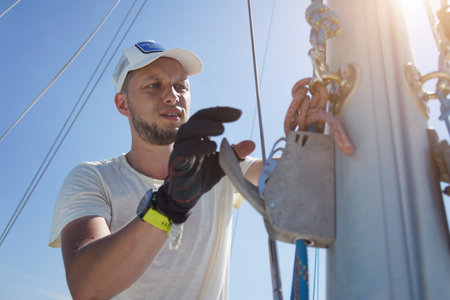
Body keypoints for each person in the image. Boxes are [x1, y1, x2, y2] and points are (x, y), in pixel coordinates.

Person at [48, 40, 263, 299]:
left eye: (181, 86)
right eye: (154, 85)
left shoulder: (220, 169)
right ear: (123, 104)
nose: (173, 95)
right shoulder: (94, 178)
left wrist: (313, 142)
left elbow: (296, 183)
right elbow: (87, 287)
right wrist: (167, 206)